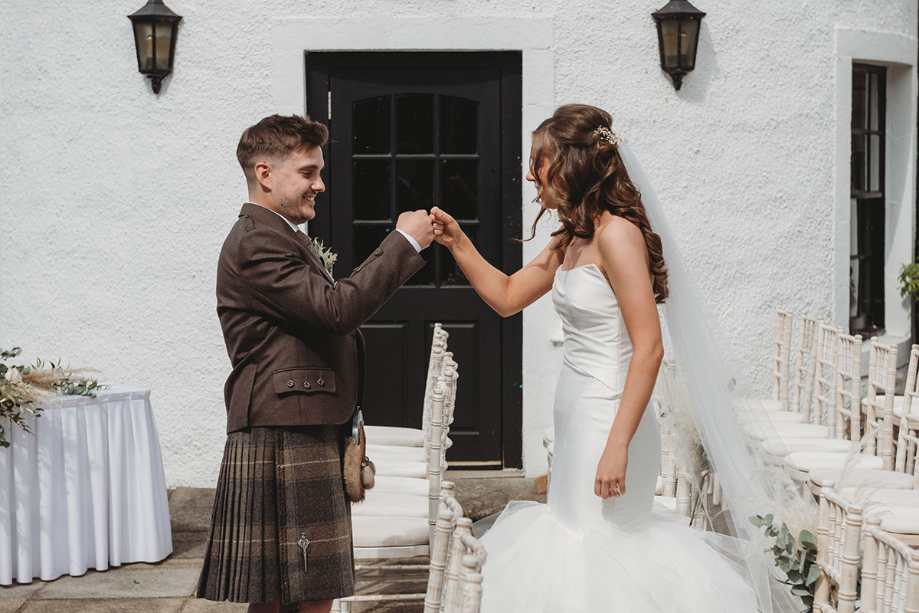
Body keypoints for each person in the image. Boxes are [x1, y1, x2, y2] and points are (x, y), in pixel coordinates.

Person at [430, 104, 764, 612]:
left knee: (597, 554)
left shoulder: (618, 235)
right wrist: (457, 242)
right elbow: (505, 295)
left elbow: (649, 347)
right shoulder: (571, 239)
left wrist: (618, 444)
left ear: (570, 164)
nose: (530, 173)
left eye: (539, 161)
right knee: (570, 546)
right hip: (576, 419)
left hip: (611, 421)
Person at [196, 114, 435, 613]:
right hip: (286, 427)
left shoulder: (278, 233)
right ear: (265, 174)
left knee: (285, 592)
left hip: (297, 421)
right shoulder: (258, 240)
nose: (320, 184)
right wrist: (404, 242)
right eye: (308, 172)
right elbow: (336, 310)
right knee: (306, 594)